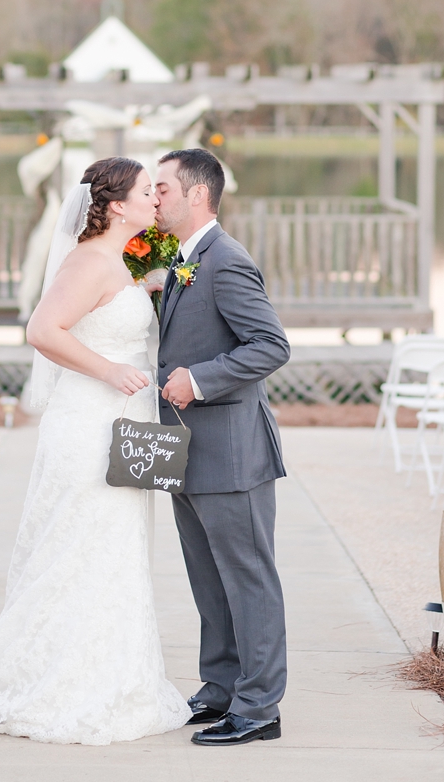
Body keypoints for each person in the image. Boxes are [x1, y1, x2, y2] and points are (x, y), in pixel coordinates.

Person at [0, 157, 190, 745]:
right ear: (116, 206)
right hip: (90, 420)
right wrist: (112, 370)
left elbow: (130, 299)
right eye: (145, 191)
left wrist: (161, 281)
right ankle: (58, 683)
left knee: (118, 548)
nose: (156, 200)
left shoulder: (130, 256)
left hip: (126, 419)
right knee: (80, 545)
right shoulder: (87, 261)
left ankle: (115, 675)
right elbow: (43, 330)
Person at [155, 148, 291, 747]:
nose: (153, 197)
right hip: (186, 449)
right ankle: (219, 688)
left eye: (162, 188)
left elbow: (270, 345)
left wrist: (199, 378)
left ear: (197, 196)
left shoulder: (226, 261)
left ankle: (260, 708)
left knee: (248, 579)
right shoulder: (184, 261)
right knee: (207, 580)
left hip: (232, 454)